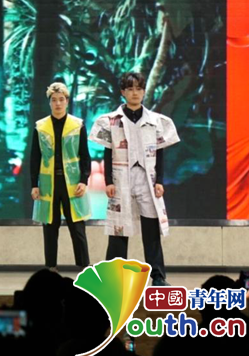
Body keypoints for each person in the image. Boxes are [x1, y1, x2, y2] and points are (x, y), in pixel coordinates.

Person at [89, 71, 180, 286]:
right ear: (123, 92)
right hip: (121, 177)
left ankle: (157, 276)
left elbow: (159, 152)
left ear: (144, 91)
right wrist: (109, 181)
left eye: (139, 89)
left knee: (151, 228)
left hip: (146, 178)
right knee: (119, 228)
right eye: (130, 89)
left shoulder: (156, 121)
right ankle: (113, 277)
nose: (135, 93)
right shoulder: (111, 121)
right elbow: (108, 151)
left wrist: (160, 181)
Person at [30, 82, 91, 271]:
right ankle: (51, 267)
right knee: (50, 226)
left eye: (61, 99)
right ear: (49, 102)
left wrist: (84, 180)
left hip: (72, 182)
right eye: (54, 100)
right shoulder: (41, 127)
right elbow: (35, 157)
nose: (58, 103)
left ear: (67, 101)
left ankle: (84, 267)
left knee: (77, 226)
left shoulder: (77, 125)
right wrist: (34, 184)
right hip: (49, 183)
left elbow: (85, 155)